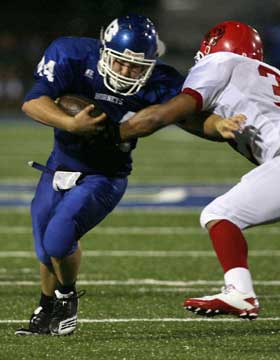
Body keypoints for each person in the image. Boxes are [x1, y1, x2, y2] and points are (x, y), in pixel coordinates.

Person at [117, 20, 280, 319]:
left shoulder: (219, 61)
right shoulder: (271, 73)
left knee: (218, 214)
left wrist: (118, 133)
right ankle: (240, 292)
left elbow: (178, 110)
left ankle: (240, 292)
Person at [15, 14, 185, 336]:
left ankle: (67, 299)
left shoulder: (163, 82)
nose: (126, 72)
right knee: (43, 245)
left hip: (105, 174)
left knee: (58, 236)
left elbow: (192, 114)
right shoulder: (72, 54)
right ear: (104, 50)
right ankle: (46, 305)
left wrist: (219, 127)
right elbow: (32, 103)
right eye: (120, 63)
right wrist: (70, 124)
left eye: (136, 67)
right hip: (59, 165)